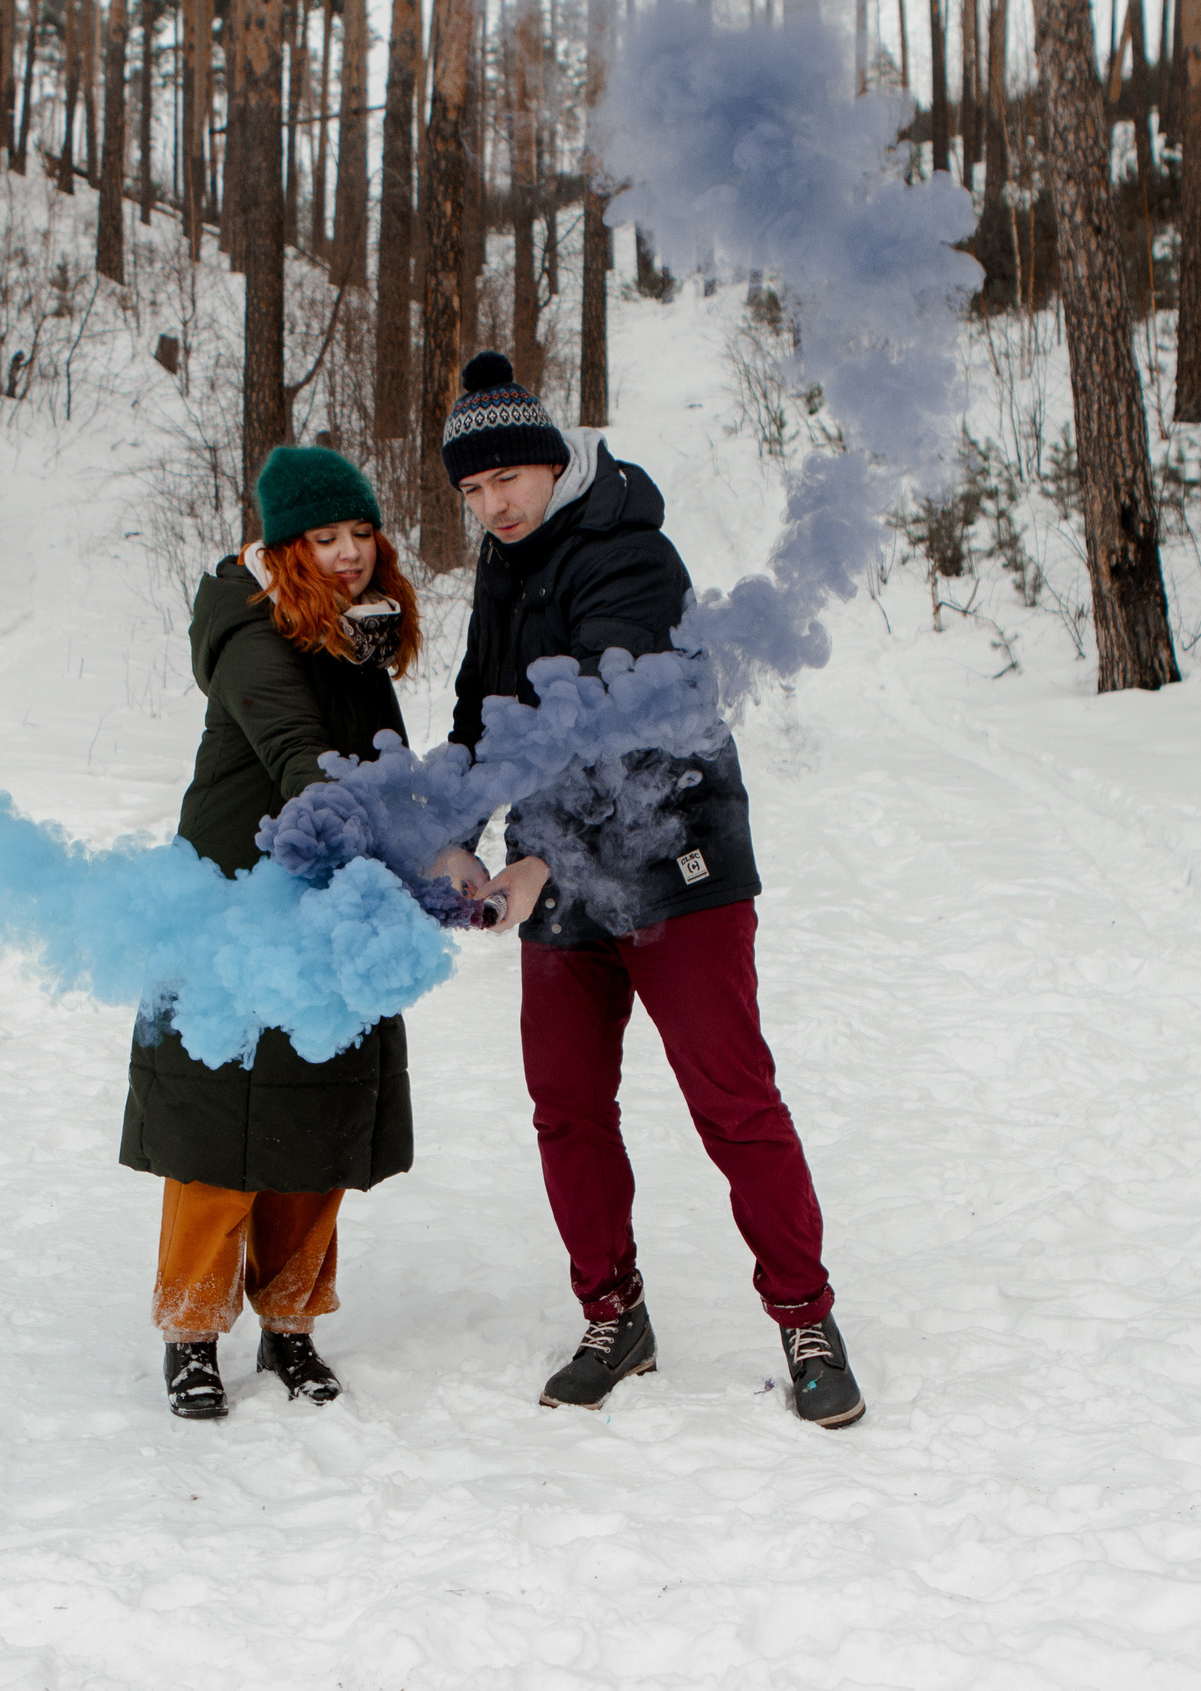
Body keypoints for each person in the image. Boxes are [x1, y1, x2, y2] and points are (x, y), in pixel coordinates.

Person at [427, 351, 866, 1430]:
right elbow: (483, 709)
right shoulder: (503, 561)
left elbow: (610, 728)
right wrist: (453, 836)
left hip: (676, 859)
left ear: (550, 461)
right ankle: (613, 1315)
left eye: (507, 479)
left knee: (731, 1099)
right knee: (566, 1104)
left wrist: (537, 857)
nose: (493, 505)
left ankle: (806, 1318)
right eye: (472, 490)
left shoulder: (631, 551)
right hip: (557, 867)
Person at [120, 447, 422, 1420]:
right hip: (232, 905)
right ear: (286, 546)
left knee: (314, 1120)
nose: (348, 553)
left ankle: (289, 1321)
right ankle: (191, 1331)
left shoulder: (350, 629)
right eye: (324, 537)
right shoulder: (252, 629)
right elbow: (301, 756)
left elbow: (382, 765)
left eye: (361, 533)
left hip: (325, 895)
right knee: (217, 1133)